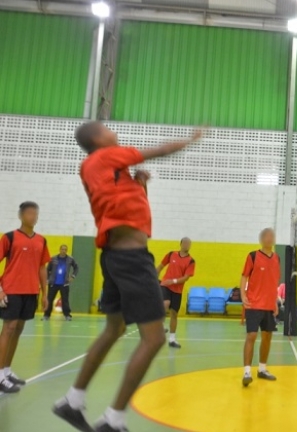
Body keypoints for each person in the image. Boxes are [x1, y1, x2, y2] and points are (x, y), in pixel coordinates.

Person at [52, 121, 202, 432]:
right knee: (154, 338)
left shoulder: (101, 170)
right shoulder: (105, 157)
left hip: (115, 257)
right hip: (131, 260)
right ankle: (114, 419)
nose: (113, 133)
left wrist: (140, 184)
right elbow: (157, 151)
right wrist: (188, 141)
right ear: (97, 139)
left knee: (114, 328)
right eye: (107, 130)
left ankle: (73, 400)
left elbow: (129, 210)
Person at [0, 201, 51, 393]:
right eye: (30, 213)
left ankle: (6, 371)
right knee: (9, 328)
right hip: (11, 289)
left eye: (36, 214)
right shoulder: (10, 237)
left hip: (31, 291)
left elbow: (42, 268)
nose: (33, 217)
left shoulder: (41, 240)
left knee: (19, 329)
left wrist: (45, 293)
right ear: (21, 215)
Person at [240, 228, 281, 387]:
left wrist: (275, 302)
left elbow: (274, 282)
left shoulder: (277, 258)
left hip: (269, 306)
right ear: (261, 239)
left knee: (267, 337)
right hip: (254, 304)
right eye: (267, 236)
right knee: (251, 336)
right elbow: (244, 276)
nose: (270, 238)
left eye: (272, 236)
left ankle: (262, 369)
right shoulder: (253, 256)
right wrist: (243, 296)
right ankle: (247, 372)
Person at [157, 237, 196, 348]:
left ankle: (172, 339)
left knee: (174, 314)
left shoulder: (191, 261)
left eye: (189, 243)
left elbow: (186, 278)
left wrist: (173, 281)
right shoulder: (171, 254)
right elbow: (160, 266)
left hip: (177, 290)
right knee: (166, 303)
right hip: (165, 285)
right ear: (181, 244)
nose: (187, 245)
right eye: (186, 243)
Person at [44, 245, 79, 321]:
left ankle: (67, 315)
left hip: (64, 283)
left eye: (65, 249)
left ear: (67, 250)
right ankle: (46, 315)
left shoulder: (70, 259)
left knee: (65, 300)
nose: (64, 251)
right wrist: (47, 279)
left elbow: (76, 267)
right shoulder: (53, 259)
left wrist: (72, 276)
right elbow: (48, 269)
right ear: (59, 250)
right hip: (53, 283)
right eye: (62, 249)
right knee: (50, 299)